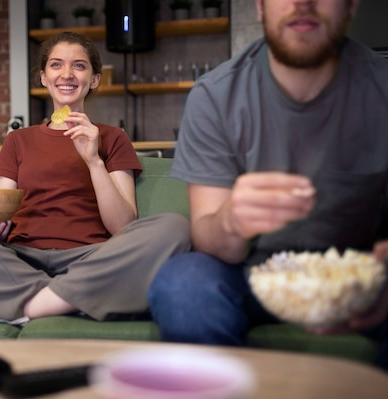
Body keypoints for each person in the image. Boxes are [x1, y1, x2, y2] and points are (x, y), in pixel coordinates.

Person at [148, 0, 388, 366]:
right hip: (250, 277)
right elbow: (210, 239)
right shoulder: (215, 97)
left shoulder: (380, 88)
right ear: (260, 7)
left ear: (352, 5)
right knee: (182, 283)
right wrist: (230, 220)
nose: (302, 3)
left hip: (356, 277)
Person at [0, 32, 190, 325]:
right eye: (56, 65)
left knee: (174, 227)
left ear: (94, 79)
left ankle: (20, 305)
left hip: (91, 259)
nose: (66, 74)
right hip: (18, 258)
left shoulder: (113, 138)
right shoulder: (18, 140)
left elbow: (123, 227)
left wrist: (93, 160)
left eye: (79, 66)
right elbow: (0, 207)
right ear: (43, 77)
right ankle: (72, 300)